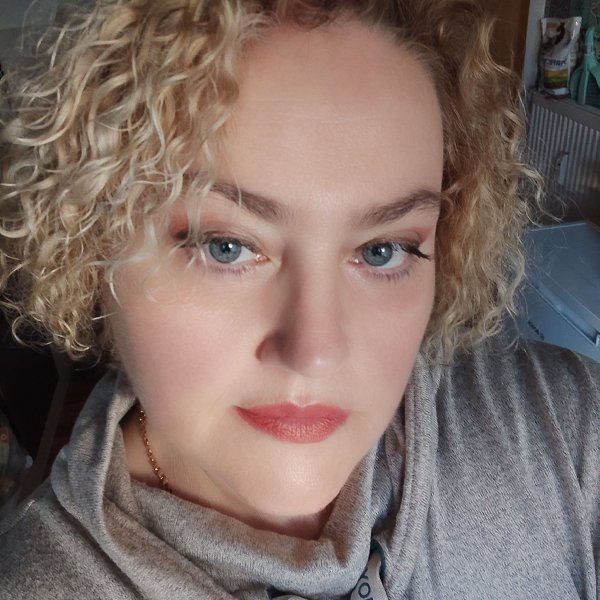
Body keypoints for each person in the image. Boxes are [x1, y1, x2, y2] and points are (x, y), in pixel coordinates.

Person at [0, 0, 598, 598]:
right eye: (227, 247)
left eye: (382, 251)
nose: (315, 353)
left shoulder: (561, 429)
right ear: (94, 242)